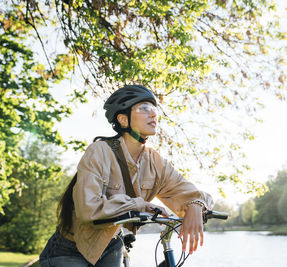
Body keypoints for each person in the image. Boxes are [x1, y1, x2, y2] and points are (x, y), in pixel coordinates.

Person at [40, 85, 213, 266]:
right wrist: (140, 204)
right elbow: (88, 209)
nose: (153, 114)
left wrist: (195, 204)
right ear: (123, 119)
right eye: (144, 108)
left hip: (111, 245)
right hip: (69, 249)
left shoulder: (155, 162)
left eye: (154, 109)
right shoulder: (100, 151)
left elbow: (189, 191)